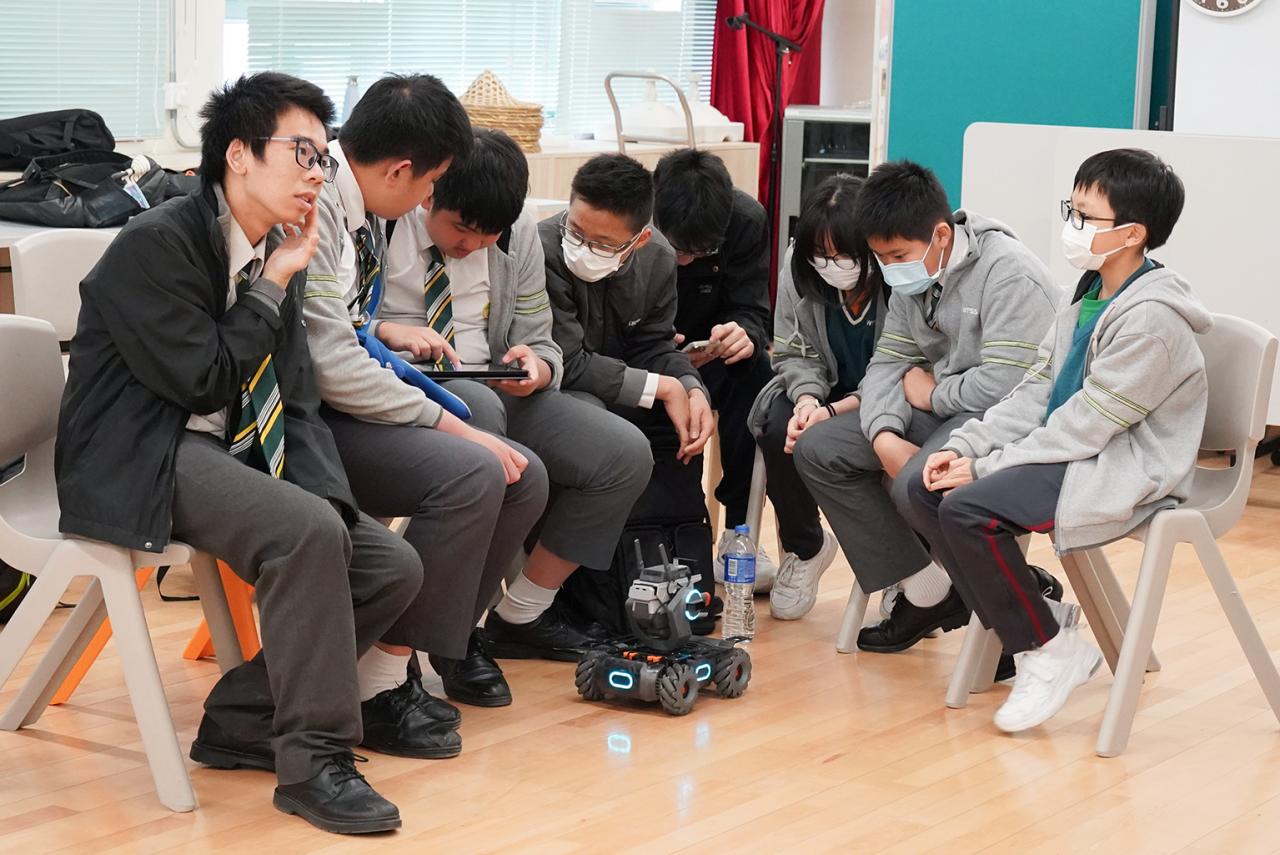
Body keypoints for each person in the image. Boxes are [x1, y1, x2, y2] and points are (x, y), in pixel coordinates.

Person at [55, 72, 422, 834]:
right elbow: (202, 379)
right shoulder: (158, 244)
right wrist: (273, 283)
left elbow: (298, 398)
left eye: (324, 157)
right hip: (141, 450)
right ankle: (313, 762)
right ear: (239, 156)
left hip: (230, 450)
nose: (317, 174)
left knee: (388, 563)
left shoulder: (274, 249)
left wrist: (332, 504)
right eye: (301, 153)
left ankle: (241, 719)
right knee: (304, 533)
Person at [906, 148, 1206, 732]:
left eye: (1085, 215)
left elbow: (1088, 425)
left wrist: (986, 469)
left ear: (1133, 233)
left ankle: (1044, 648)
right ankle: (1041, 621)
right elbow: (1035, 394)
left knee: (968, 508)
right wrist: (968, 446)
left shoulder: (1152, 320)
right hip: (1074, 450)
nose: (1072, 223)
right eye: (1072, 208)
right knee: (924, 487)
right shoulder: (1088, 291)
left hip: (1121, 462)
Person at [301, 76, 547, 739]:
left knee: (524, 476)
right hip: (304, 420)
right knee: (476, 468)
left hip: (339, 400)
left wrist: (428, 394)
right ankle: (378, 680)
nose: (428, 198)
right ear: (400, 170)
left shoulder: (358, 205)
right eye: (432, 183)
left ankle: (429, 647)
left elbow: (348, 331)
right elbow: (332, 365)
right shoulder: (320, 205)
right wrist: (446, 421)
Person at [377, 129, 652, 664]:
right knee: (483, 418)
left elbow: (540, 337)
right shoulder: (383, 219)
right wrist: (389, 331)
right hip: (408, 388)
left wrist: (538, 368)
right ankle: (448, 636)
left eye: (489, 236)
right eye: (462, 230)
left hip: (497, 387)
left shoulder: (518, 230)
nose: (472, 246)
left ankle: (522, 613)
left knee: (623, 454)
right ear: (429, 193)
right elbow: (341, 327)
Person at [790, 160, 1061, 651]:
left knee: (918, 484)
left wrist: (934, 393)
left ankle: (1008, 620)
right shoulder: (910, 280)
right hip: (943, 410)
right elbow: (887, 363)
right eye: (881, 257)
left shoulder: (1010, 275)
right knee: (818, 449)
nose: (890, 268)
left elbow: (1010, 386)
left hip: (1001, 416)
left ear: (941, 235)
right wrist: (883, 434)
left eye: (898, 255)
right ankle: (931, 589)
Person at [745, 174, 878, 619]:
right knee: (777, 427)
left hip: (884, 395)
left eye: (843, 255)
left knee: (889, 437)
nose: (831, 265)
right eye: (820, 254)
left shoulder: (895, 275)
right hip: (820, 389)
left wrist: (833, 410)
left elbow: (900, 368)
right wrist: (805, 399)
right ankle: (806, 548)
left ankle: (907, 569)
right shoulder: (800, 266)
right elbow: (792, 349)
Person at [652, 148, 777, 586]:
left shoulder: (746, 220)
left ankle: (739, 531)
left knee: (757, 375)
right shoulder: (633, 216)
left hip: (714, 353)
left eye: (700, 251)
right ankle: (674, 529)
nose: (685, 261)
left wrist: (743, 333)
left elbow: (753, 309)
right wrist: (661, 348)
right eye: (675, 248)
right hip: (649, 354)